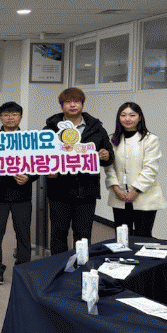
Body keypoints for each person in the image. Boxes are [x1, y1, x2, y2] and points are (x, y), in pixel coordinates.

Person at [44, 87, 114, 255]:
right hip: (59, 189)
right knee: (59, 232)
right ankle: (59, 266)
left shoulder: (96, 128)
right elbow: (42, 157)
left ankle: (81, 266)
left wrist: (106, 155)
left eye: (76, 101)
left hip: (86, 190)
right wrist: (48, 169)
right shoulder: (50, 129)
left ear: (82, 104)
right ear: (62, 105)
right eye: (68, 102)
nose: (73, 105)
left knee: (83, 234)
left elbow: (109, 156)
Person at [0, 102, 35, 285]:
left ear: (20, 117)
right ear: (0, 118)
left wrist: (29, 177)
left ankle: (23, 267)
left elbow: (39, 163)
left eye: (14, 114)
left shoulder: (29, 139)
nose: (10, 118)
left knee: (23, 234)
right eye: (6, 114)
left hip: (22, 194)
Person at [105, 102, 166, 238]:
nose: (127, 119)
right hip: (119, 196)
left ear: (139, 117)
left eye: (132, 115)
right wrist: (116, 188)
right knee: (121, 238)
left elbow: (150, 169)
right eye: (123, 115)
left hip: (144, 196)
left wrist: (135, 191)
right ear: (118, 118)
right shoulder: (112, 139)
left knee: (142, 237)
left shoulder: (150, 139)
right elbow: (109, 168)